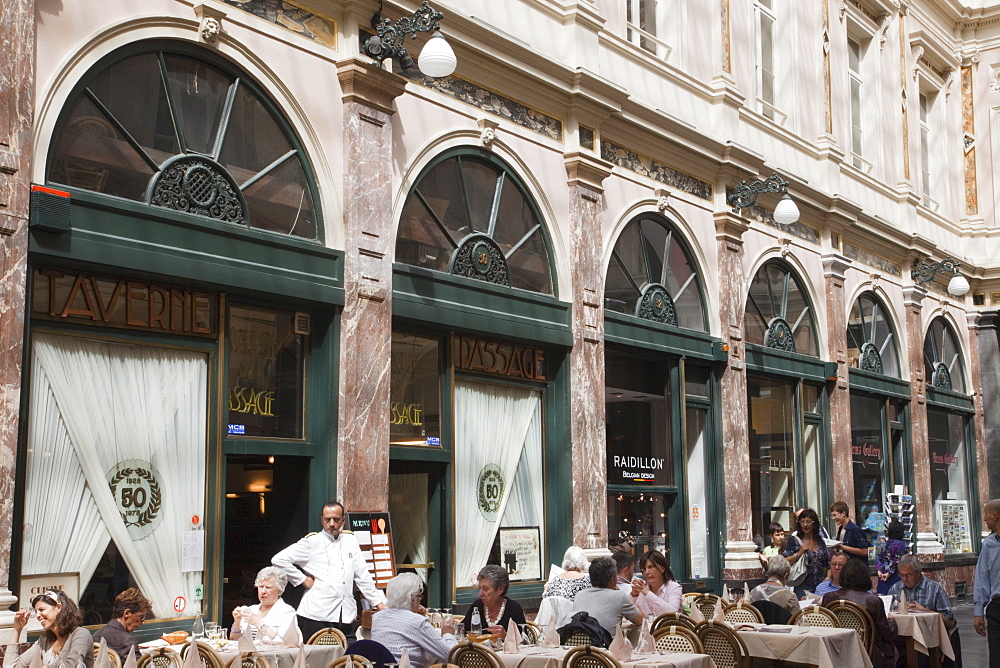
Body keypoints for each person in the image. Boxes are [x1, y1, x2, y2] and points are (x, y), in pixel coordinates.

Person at [272, 501, 387, 639]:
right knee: (317, 659)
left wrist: (378, 603)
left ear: (343, 520)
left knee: (349, 658)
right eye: (327, 520)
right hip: (318, 615)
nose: (332, 524)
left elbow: (362, 576)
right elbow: (279, 559)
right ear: (322, 520)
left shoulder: (350, 540)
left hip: (346, 615)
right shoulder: (312, 542)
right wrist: (303, 579)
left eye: (336, 519)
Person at [889, 554, 961, 668]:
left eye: (908, 575)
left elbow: (950, 621)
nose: (904, 579)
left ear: (918, 572)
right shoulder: (896, 588)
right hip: (901, 640)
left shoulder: (935, 588)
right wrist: (898, 608)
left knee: (920, 654)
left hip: (930, 639)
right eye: (901, 575)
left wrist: (924, 611)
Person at [822, 559, 897, 667]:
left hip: (837, 651)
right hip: (868, 654)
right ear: (865, 578)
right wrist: (892, 621)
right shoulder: (873, 601)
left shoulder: (828, 598)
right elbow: (887, 634)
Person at [371, 574, 456, 666]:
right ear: (412, 599)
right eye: (419, 596)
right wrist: (448, 634)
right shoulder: (417, 622)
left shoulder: (377, 617)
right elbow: (451, 656)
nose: (420, 600)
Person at [7, 590, 94, 668]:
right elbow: (12, 666)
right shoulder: (44, 640)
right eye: (36, 612)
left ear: (58, 607)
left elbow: (71, 665)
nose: (37, 615)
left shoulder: (80, 634)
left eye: (41, 609)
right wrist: (17, 630)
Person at [572, 557, 644, 636]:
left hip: (578, 646)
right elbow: (640, 620)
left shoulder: (579, 595)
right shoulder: (619, 596)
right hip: (606, 646)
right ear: (612, 579)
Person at [231, 566, 298, 643]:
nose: (263, 591)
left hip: (273, 654)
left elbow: (285, 642)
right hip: (247, 654)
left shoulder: (287, 612)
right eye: (261, 587)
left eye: (268, 587)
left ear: (279, 590)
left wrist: (260, 624)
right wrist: (237, 622)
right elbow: (234, 640)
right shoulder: (251, 610)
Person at [461, 565, 525, 639]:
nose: (480, 594)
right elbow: (462, 631)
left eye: (485, 589)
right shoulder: (477, 607)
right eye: (479, 588)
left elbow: (524, 644)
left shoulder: (514, 609)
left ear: (500, 589)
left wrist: (506, 636)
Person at [973, 498, 1000, 667]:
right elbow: (982, 578)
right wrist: (978, 611)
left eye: (986, 514)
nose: (984, 518)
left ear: (995, 516)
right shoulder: (988, 544)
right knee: (996, 657)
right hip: (997, 607)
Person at [782, 507, 831, 597]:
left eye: (808, 522)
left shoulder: (820, 541)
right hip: (802, 586)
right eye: (802, 522)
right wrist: (799, 553)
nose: (805, 525)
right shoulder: (795, 540)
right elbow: (784, 562)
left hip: (820, 585)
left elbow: (827, 563)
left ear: (814, 523)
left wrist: (828, 578)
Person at [93, 588, 152, 662]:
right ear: (127, 613)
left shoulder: (97, 635)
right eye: (141, 617)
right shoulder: (127, 641)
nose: (142, 622)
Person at [630, 550, 682, 616]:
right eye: (644, 569)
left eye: (650, 567)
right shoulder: (641, 589)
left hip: (668, 626)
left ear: (662, 569)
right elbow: (626, 612)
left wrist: (647, 593)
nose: (646, 572)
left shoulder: (674, 587)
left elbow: (672, 613)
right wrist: (633, 595)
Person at [875, 520, 909, 595]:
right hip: (894, 577)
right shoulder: (901, 545)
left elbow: (879, 558)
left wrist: (879, 570)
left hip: (882, 576)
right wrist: (889, 573)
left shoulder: (885, 544)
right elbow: (898, 561)